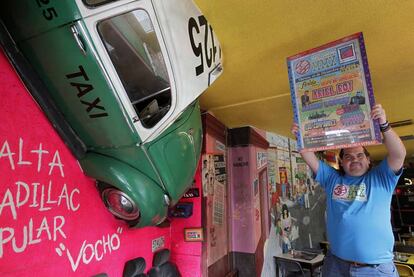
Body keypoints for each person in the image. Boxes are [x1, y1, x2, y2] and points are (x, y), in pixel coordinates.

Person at [292, 104, 406, 277]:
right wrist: (302, 136)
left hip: (375, 269)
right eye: (348, 156)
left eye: (360, 155)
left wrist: (384, 125)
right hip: (336, 266)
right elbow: (307, 154)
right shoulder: (332, 179)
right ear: (342, 162)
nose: (354, 159)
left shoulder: (382, 177)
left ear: (368, 160)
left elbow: (398, 154)